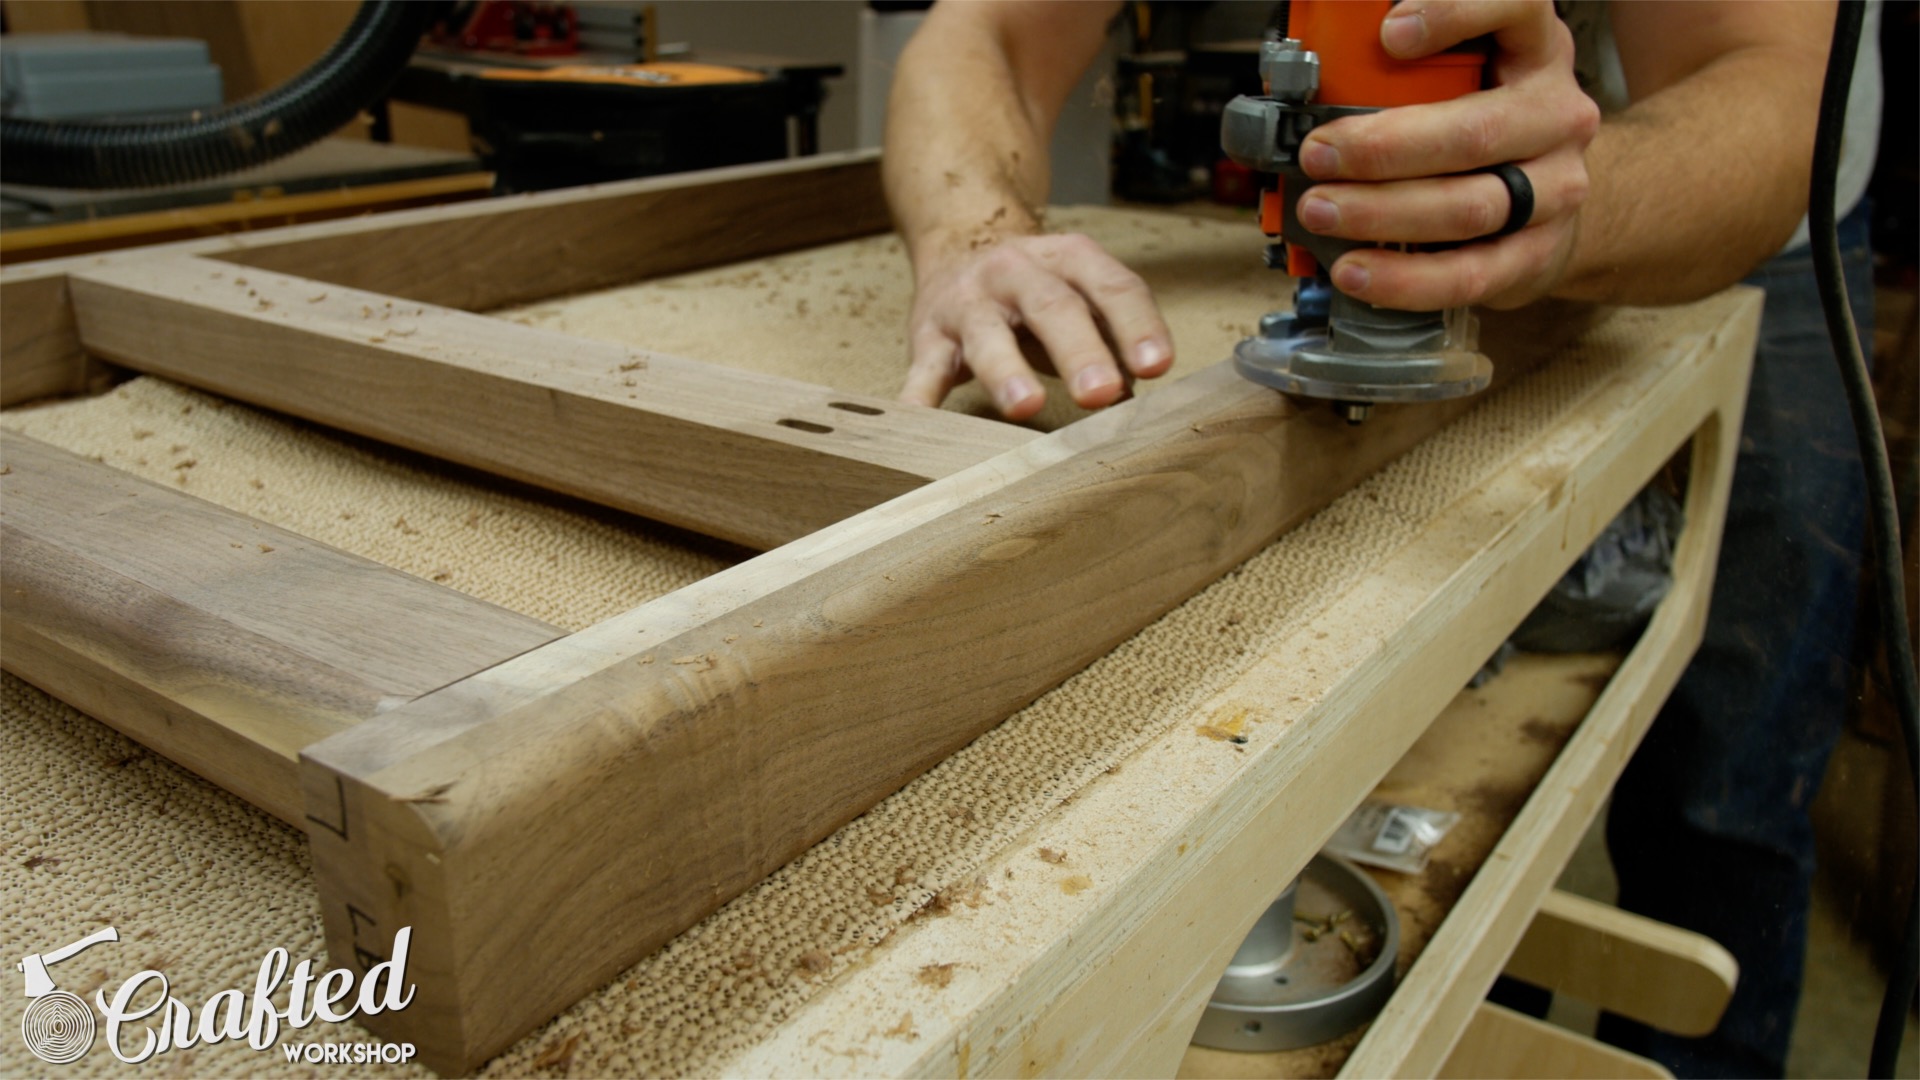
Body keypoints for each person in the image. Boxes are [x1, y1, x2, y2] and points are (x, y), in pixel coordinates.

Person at [883, 2, 1881, 1076]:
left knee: (1724, 788)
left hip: (1740, 190)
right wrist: (973, 234)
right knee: (1465, 760)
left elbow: (1773, 83)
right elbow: (981, 34)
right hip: (1394, 216)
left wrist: (1557, 207)